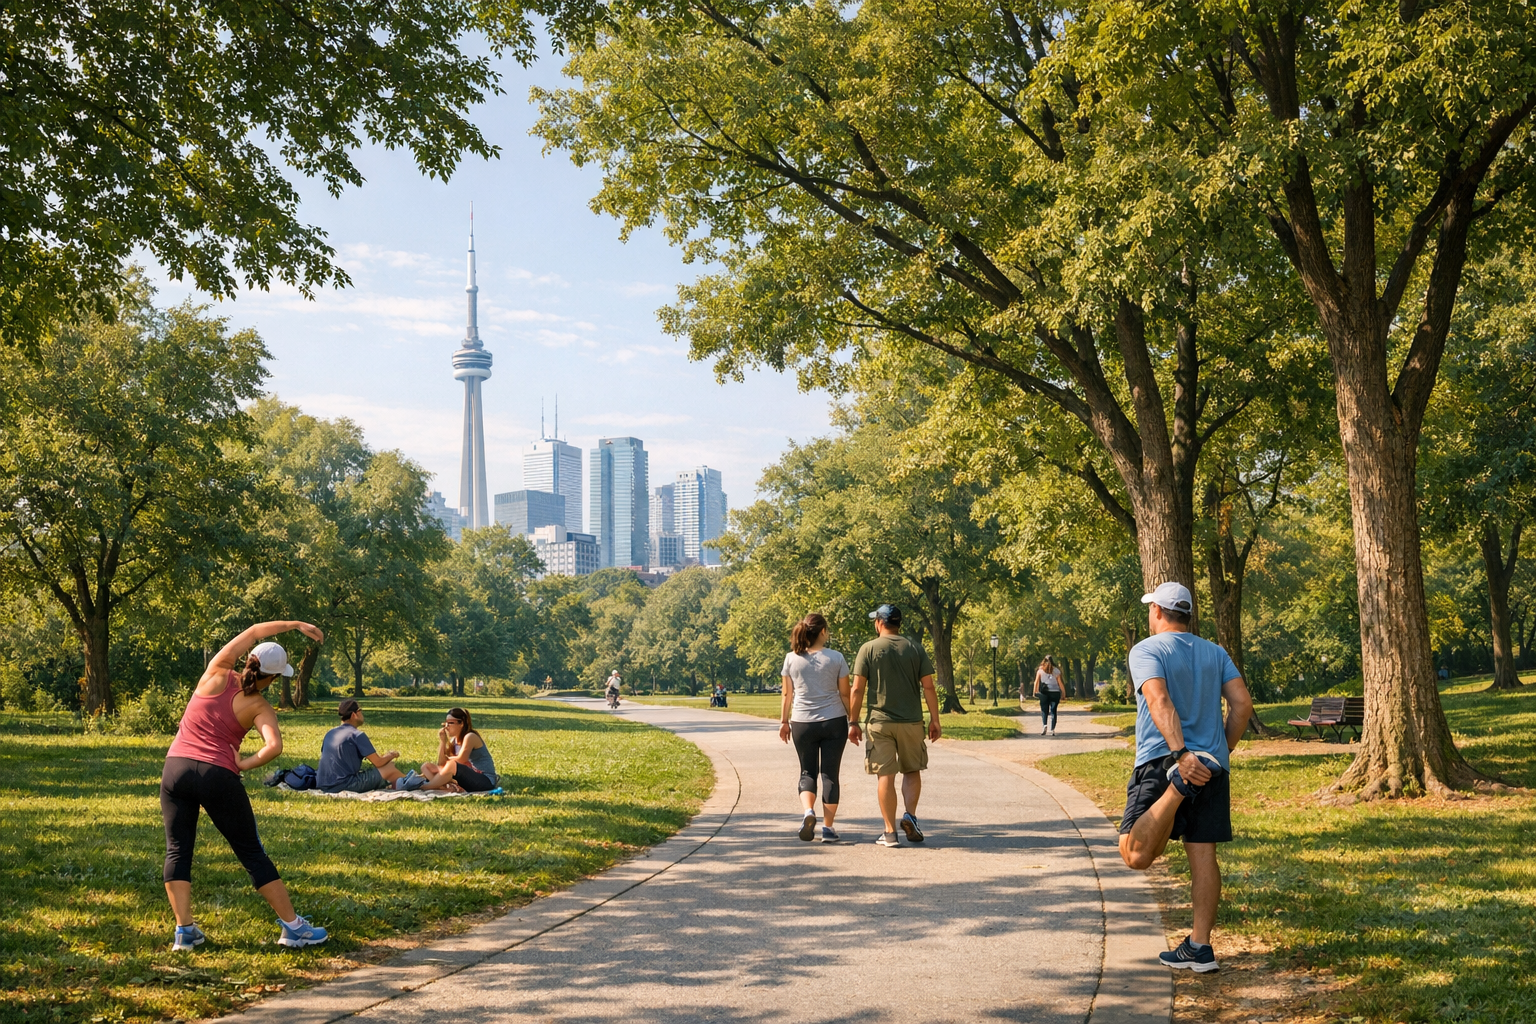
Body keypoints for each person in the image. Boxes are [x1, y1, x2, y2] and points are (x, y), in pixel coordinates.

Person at [161, 620, 329, 951]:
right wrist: (244, 763)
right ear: (273, 678)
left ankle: (185, 932)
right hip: (217, 776)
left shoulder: (216, 670)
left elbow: (254, 631)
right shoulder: (259, 706)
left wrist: (295, 624)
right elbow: (273, 747)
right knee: (251, 852)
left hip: (175, 769)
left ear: (249, 660)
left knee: (178, 849)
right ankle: (294, 928)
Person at [1118, 582, 1254, 973]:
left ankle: (1176, 788)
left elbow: (1159, 699)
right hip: (1211, 765)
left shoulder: (1146, 650)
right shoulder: (1215, 652)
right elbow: (1242, 704)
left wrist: (1181, 757)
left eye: (1150, 609)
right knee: (1203, 855)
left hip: (1166, 761)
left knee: (1135, 854)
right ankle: (1200, 946)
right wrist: (1218, 752)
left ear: (1158, 611)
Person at [848, 604, 941, 848]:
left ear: (880, 622)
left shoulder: (868, 649)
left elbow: (857, 688)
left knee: (885, 775)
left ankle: (889, 832)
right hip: (911, 721)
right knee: (912, 770)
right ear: (899, 623)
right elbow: (928, 686)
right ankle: (910, 815)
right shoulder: (915, 648)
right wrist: (935, 719)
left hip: (880, 722)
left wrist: (853, 722)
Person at [779, 612, 852, 843]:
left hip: (802, 722)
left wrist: (783, 722)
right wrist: (853, 720)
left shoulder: (791, 658)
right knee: (830, 775)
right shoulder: (836, 657)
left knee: (807, 771)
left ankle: (808, 812)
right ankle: (828, 829)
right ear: (822, 632)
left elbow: (786, 694)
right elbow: (845, 693)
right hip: (834, 721)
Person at [318, 700, 423, 793]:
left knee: (386, 766)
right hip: (343, 785)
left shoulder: (330, 733)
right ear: (354, 714)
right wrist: (391, 755)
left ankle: (410, 781)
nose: (362, 714)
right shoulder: (356, 735)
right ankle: (419, 783)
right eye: (360, 711)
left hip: (323, 783)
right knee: (389, 767)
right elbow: (378, 762)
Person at [419, 707, 499, 793]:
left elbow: (461, 760)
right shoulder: (454, 741)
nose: (446, 727)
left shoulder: (470, 736)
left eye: (450, 723)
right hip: (465, 778)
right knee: (426, 766)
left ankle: (428, 786)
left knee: (451, 764)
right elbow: (442, 763)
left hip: (485, 781)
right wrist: (443, 741)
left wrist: (448, 761)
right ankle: (442, 787)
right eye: (445, 723)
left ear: (461, 724)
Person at [1033, 656, 1064, 735]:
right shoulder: (1056, 671)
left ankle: (1044, 725)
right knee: (1053, 710)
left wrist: (1035, 691)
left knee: (1044, 710)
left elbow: (1036, 682)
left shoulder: (1040, 671)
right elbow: (1060, 683)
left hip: (1044, 693)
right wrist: (1063, 693)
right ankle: (1052, 729)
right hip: (1055, 692)